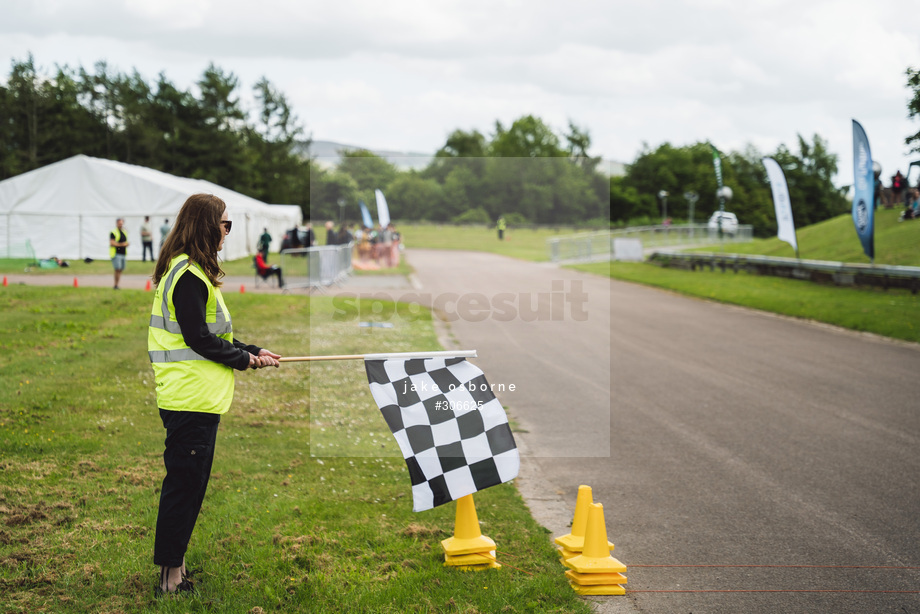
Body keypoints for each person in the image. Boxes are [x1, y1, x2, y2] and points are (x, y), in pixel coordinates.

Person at [148, 193, 281, 596]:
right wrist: (242, 361)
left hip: (195, 398)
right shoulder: (188, 276)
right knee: (184, 489)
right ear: (207, 226)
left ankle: (177, 567)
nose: (227, 231)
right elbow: (198, 338)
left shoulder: (189, 271)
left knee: (190, 487)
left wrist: (252, 350)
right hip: (190, 398)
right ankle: (170, 581)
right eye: (225, 224)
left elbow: (213, 333)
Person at [109, 218, 129, 290]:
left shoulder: (124, 232)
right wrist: (122, 244)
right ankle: (115, 285)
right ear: (116, 223)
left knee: (120, 269)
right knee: (117, 269)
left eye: (121, 223)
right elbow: (112, 243)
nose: (121, 225)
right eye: (119, 223)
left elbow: (125, 241)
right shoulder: (113, 232)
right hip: (116, 253)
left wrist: (126, 244)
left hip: (123, 254)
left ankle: (117, 284)